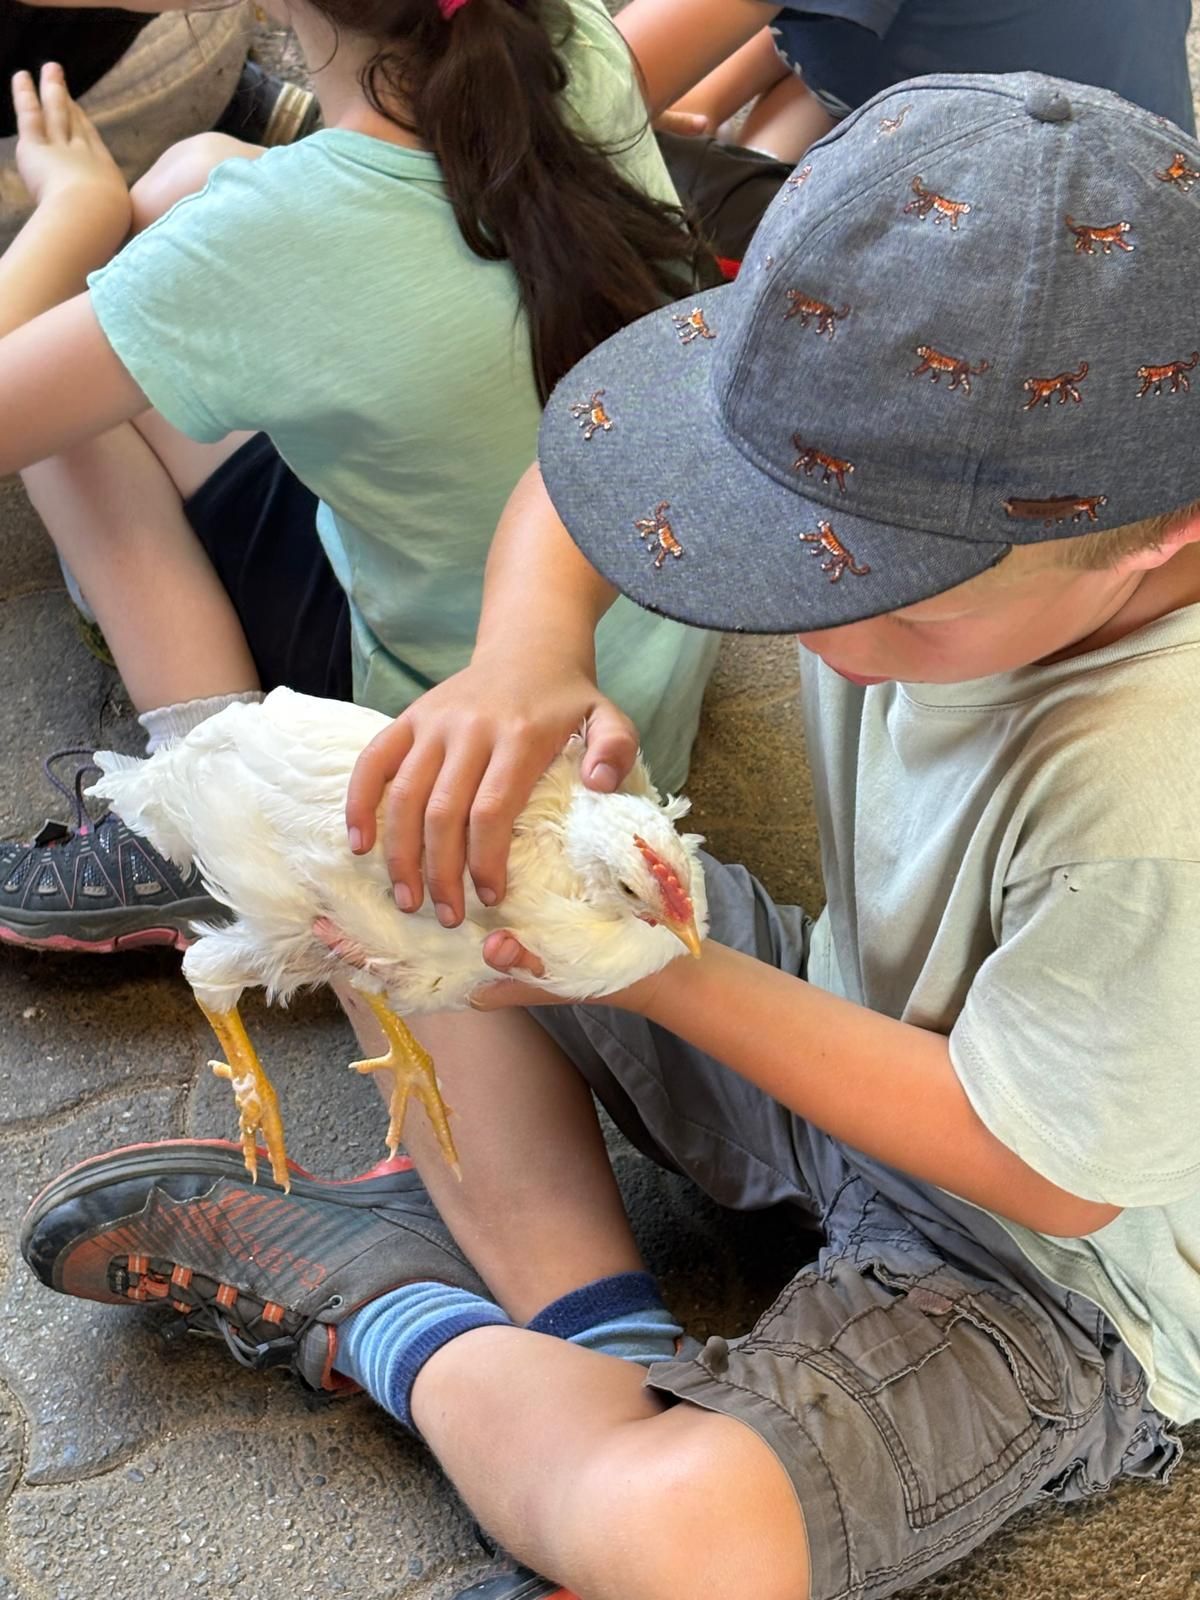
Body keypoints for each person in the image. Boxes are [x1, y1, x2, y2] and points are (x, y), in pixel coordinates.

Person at [23, 72, 1200, 1600]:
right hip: (847, 1015)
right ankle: (599, 1343)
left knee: (684, 1543)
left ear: (1166, 541)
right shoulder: (971, 510)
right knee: (411, 845)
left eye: (894, 605)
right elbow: (578, 492)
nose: (814, 634)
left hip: (1043, 1271)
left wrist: (651, 970)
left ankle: (394, 1317)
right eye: (778, 552)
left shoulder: (1157, 803)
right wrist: (525, 658)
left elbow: (1042, 1171)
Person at [0, 0, 718, 950]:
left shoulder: (267, 238)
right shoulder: (564, 35)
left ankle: (202, 820)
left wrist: (71, 210)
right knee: (189, 172)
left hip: (445, 750)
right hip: (626, 674)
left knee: (67, 414)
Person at [624, 0, 1196, 262]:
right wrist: (706, 103)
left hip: (1030, 267)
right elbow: (821, 28)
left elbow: (587, 103)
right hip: (1155, 204)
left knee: (595, 177)